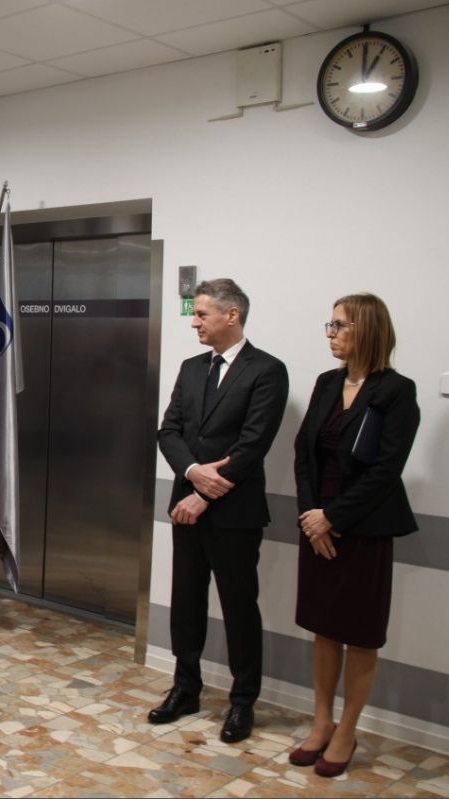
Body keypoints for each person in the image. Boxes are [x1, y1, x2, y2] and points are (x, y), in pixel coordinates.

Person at [289, 294, 419, 777]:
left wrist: (334, 518)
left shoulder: (396, 390)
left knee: (360, 635)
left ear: (367, 330)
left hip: (362, 528)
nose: (331, 333)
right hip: (316, 524)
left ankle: (347, 730)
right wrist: (311, 517)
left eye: (340, 325)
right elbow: (304, 454)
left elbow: (386, 470)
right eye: (330, 324)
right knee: (324, 629)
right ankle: (321, 722)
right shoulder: (327, 383)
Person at [155, 278, 288, 743]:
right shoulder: (191, 368)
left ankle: (242, 701)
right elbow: (169, 431)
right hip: (186, 508)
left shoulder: (267, 370)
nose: (194, 322)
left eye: (202, 314)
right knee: (186, 603)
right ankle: (185, 688)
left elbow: (253, 443)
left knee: (238, 608)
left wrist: (207, 494)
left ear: (231, 315)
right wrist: (193, 473)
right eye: (195, 314)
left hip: (234, 513)